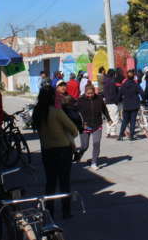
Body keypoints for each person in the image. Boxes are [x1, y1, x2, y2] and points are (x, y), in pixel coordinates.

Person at [34, 87, 78, 218]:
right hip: (62, 149)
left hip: (46, 150)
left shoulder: (37, 112)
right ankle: (66, 211)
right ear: (52, 97)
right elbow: (73, 129)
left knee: (50, 182)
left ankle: (49, 211)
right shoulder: (56, 111)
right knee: (64, 181)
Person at [77, 85, 111, 170]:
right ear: (85, 92)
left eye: (91, 93)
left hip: (97, 124)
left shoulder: (99, 98)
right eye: (88, 93)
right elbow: (76, 113)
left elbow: (104, 109)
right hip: (85, 126)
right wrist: (79, 124)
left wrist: (108, 119)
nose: (90, 95)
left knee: (96, 143)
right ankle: (78, 155)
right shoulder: (80, 100)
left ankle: (94, 162)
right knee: (84, 146)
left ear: (94, 92)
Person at [117, 70, 142, 141]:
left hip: (126, 105)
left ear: (127, 77)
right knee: (133, 121)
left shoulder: (123, 85)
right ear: (133, 76)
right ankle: (131, 136)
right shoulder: (136, 84)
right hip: (134, 105)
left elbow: (119, 95)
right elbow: (142, 93)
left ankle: (120, 136)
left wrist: (118, 101)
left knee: (125, 121)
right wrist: (144, 99)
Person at [103, 69, 120, 138]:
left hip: (107, 102)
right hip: (112, 102)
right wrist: (116, 101)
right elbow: (113, 93)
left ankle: (108, 132)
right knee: (115, 118)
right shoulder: (112, 82)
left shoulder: (105, 81)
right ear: (113, 74)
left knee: (109, 117)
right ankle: (113, 132)